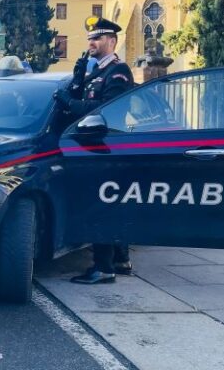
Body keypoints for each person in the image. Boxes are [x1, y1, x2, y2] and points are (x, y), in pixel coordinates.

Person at [54, 15, 135, 284]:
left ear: (111, 41)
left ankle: (103, 268)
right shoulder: (96, 71)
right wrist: (77, 79)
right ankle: (120, 260)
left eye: (97, 38)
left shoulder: (119, 71)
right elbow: (80, 99)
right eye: (89, 37)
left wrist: (68, 101)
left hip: (107, 149)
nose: (91, 42)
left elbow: (104, 110)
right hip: (95, 148)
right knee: (111, 206)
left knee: (100, 208)